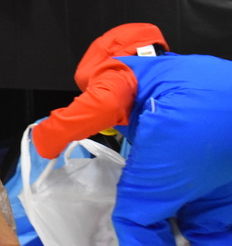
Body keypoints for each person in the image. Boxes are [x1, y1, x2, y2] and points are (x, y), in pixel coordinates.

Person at [31, 23, 232, 244]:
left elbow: (106, 104)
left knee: (137, 218)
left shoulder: (120, 67)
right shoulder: (183, 66)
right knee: (213, 221)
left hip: (188, 125)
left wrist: (46, 136)